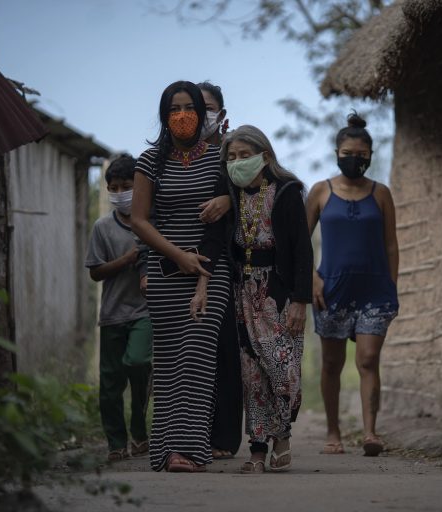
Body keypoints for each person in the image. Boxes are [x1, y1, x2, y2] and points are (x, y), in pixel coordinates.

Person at [131, 80, 231, 473]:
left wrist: (227, 198)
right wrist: (178, 256)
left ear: (203, 113)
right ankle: (168, 450)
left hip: (212, 270)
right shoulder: (149, 162)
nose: (183, 115)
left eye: (189, 107)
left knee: (198, 356)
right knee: (170, 361)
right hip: (167, 271)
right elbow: (139, 221)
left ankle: (187, 449)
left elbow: (238, 205)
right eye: (174, 109)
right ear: (164, 115)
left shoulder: (220, 158)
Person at [305, 112, 399, 457]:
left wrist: (392, 287)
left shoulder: (381, 194)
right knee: (332, 364)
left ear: (370, 156)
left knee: (369, 359)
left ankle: (371, 433)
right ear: (336, 152)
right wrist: (311, 276)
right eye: (348, 153)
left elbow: (391, 245)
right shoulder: (320, 191)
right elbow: (301, 242)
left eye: (361, 155)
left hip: (375, 291)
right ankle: (333, 432)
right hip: (331, 291)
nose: (354, 159)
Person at [220, 125, 313, 474]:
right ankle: (257, 451)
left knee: (282, 370)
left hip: (278, 292)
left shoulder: (287, 193)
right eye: (231, 157)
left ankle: (283, 435)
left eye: (245, 155)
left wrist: (301, 300)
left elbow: (302, 251)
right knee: (251, 374)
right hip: (242, 292)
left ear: (265, 157)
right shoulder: (232, 196)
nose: (238, 162)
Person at [85, 154, 153, 462]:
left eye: (126, 186)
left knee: (138, 363)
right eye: (113, 187)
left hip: (144, 312)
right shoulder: (102, 228)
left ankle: (140, 432)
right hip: (112, 313)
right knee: (110, 383)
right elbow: (96, 272)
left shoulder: (151, 221)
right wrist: (125, 260)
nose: (119, 192)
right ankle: (116, 442)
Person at [196, 81, 243, 460]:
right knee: (187, 353)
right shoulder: (166, 156)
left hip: (226, 265)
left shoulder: (236, 153)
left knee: (226, 349)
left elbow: (263, 191)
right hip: (178, 262)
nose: (197, 113)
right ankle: (186, 432)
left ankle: (224, 437)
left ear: (221, 115)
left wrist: (230, 199)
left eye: (207, 107)